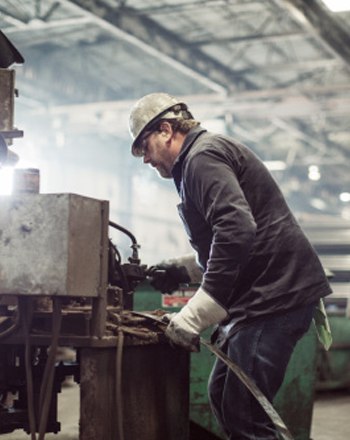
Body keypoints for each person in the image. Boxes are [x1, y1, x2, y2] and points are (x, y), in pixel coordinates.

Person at [128, 92, 332, 440]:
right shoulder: (197, 161)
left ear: (165, 129)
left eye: (144, 147)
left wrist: (195, 314)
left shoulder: (202, 157)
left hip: (273, 297)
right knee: (223, 398)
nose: (145, 159)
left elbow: (237, 229)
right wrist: (184, 269)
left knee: (245, 414)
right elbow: (230, 238)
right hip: (265, 296)